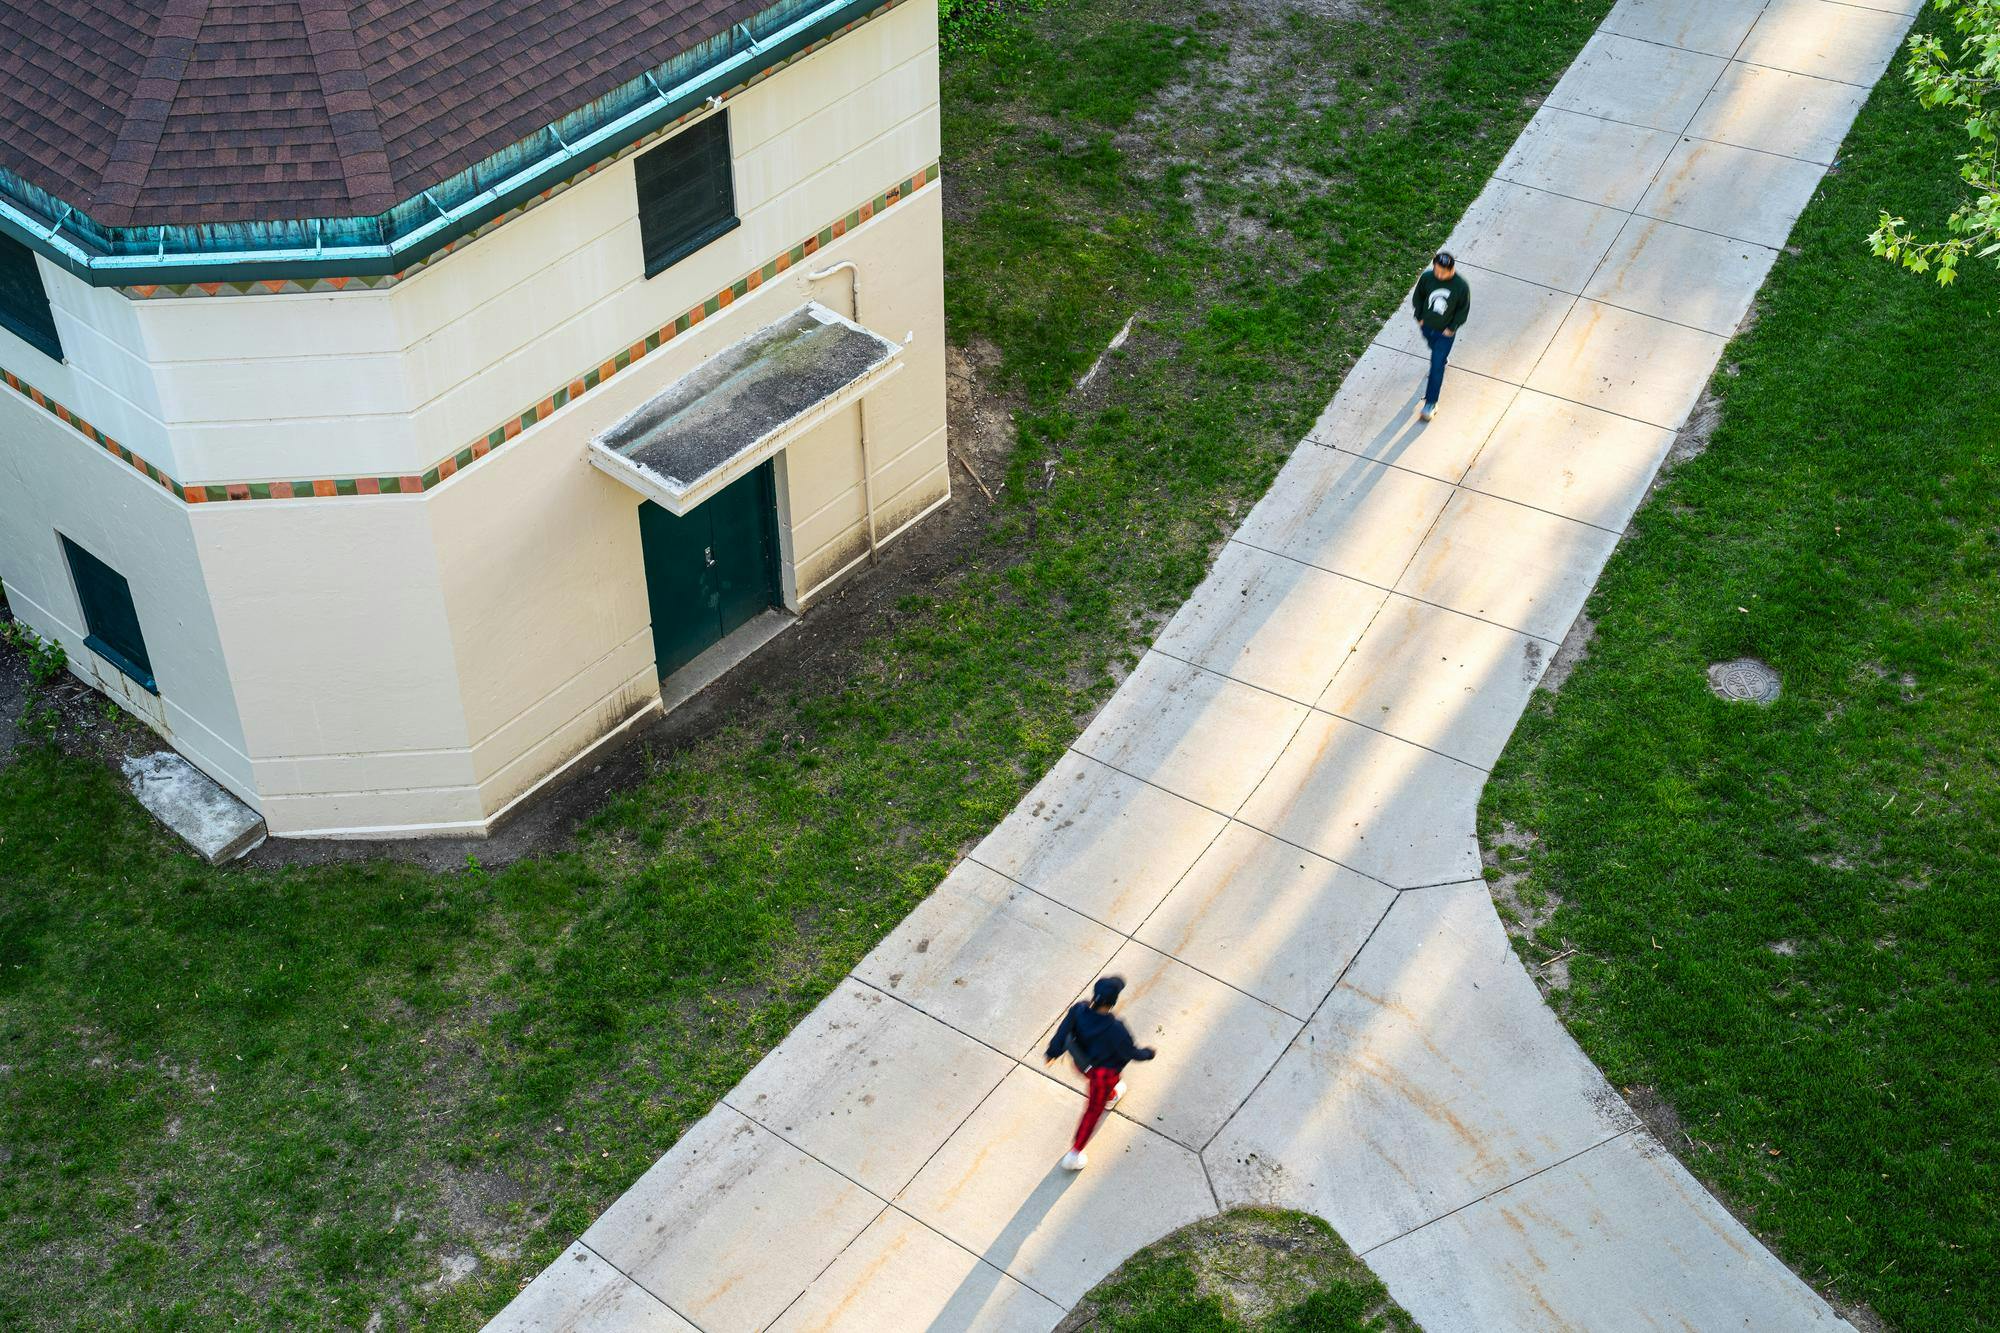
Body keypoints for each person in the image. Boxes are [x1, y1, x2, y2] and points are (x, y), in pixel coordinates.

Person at [1044, 975, 1156, 1171]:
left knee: (1108, 1089)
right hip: (1102, 1075)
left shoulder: (1079, 1009)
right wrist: (1148, 1053)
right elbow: (1130, 1052)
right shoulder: (1116, 1029)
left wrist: (1052, 1052)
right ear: (1113, 1002)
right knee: (1093, 1111)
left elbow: (1063, 1032)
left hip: (1082, 1064)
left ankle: (1111, 1096)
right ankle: (1074, 1154)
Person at [1410, 250, 1470, 422]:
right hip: (1427, 326)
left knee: (1436, 365)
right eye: (1437, 270)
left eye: (1443, 272)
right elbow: (1418, 297)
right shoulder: (1428, 277)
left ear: (1451, 269)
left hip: (1445, 333)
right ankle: (1441, 359)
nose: (1439, 274)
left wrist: (1452, 328)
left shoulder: (1461, 286)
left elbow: (1462, 310)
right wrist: (1419, 316)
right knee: (1433, 348)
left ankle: (1431, 403)